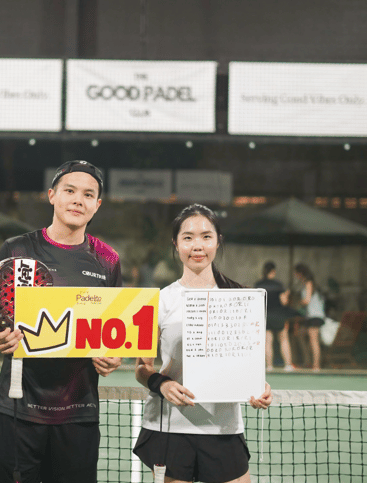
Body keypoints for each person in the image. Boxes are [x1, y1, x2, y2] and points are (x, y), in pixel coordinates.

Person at [0, 160, 123, 483]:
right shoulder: (17, 249)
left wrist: (113, 356)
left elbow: (112, 329)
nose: (78, 200)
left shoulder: (108, 260)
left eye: (88, 195)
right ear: (52, 195)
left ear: (97, 205)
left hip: (79, 412)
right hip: (19, 409)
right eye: (69, 191)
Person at [133, 204, 272, 483]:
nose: (197, 246)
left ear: (218, 241)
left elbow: (246, 362)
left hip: (223, 427)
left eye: (206, 236)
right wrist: (162, 384)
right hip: (171, 427)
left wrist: (259, 387)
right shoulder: (159, 301)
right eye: (188, 237)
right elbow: (141, 367)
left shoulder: (241, 298)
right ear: (176, 244)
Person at [255, 261, 299, 372]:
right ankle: (288, 365)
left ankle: (269, 366)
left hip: (266, 315)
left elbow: (256, 302)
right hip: (279, 315)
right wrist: (286, 294)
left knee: (267, 341)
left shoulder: (258, 285)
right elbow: (284, 302)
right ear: (273, 271)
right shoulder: (278, 285)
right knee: (283, 339)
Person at [293, 263, 325, 371]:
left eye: (296, 274)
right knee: (300, 334)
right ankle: (308, 361)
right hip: (310, 316)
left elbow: (307, 300)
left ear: (300, 273)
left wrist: (297, 303)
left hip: (315, 316)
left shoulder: (309, 283)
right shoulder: (306, 284)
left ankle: (316, 366)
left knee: (314, 340)